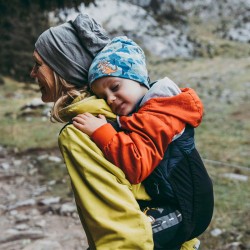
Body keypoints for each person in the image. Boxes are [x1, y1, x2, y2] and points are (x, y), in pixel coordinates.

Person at [30, 13, 209, 250]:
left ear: (62, 67)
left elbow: (120, 231)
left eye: (38, 64)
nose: (32, 73)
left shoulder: (82, 130)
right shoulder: (126, 114)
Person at [72, 36, 214, 249]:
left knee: (132, 239)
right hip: (172, 203)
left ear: (139, 79)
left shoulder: (158, 114)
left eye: (115, 86)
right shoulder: (147, 111)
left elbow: (137, 163)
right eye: (103, 96)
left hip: (186, 210)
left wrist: (102, 132)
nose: (110, 99)